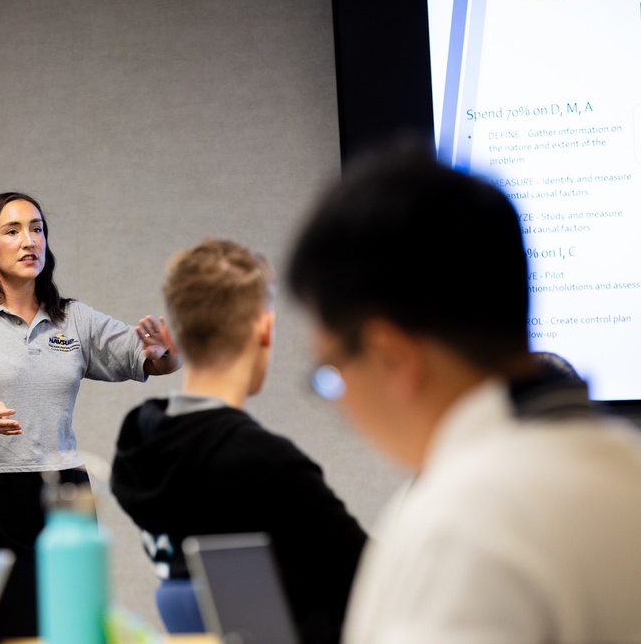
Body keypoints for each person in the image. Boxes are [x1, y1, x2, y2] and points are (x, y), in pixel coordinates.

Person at [286, 145, 641, 643]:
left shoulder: (462, 524)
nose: (341, 402)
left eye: (332, 372)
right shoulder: (625, 461)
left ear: (393, 357)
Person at [0, 191, 181, 641]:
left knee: (70, 629)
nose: (28, 240)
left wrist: (165, 353)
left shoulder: (73, 319)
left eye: (36, 229)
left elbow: (152, 360)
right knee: (4, 633)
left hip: (63, 497)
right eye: (12, 231)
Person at [111, 238, 367, 644]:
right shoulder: (266, 464)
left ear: (173, 339)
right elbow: (376, 584)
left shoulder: (139, 441)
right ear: (264, 330)